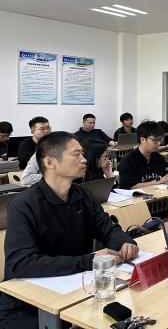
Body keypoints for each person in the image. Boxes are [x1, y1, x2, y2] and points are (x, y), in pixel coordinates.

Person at [0, 131, 138, 329]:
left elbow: (108, 229)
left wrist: (124, 242)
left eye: (83, 154)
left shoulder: (82, 194)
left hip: (75, 290)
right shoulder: (24, 204)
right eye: (76, 154)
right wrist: (89, 260)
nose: (84, 159)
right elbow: (21, 263)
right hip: (27, 304)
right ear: (50, 162)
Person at [117, 121, 168, 189]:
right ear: (142, 139)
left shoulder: (159, 158)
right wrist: (159, 181)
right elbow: (131, 187)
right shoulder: (128, 160)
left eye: (159, 140)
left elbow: (162, 180)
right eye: (155, 140)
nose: (158, 143)